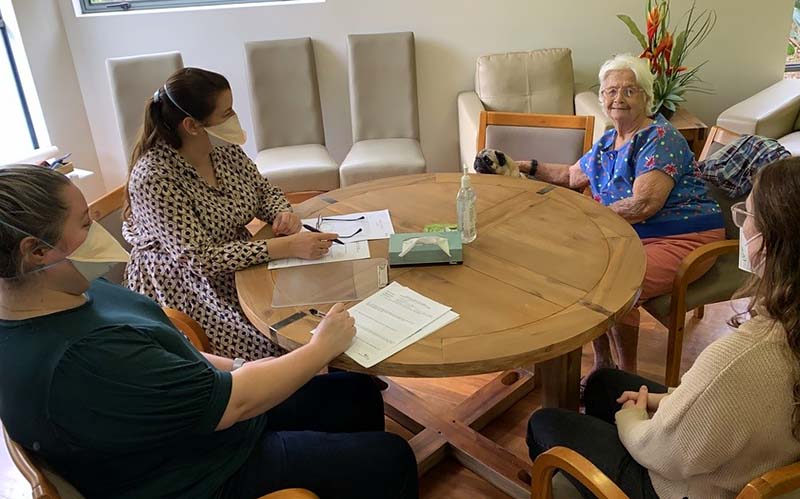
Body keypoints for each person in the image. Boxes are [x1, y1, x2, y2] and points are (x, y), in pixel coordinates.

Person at [0, 165, 418, 499]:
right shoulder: (84, 359)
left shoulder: (68, 288)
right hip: (201, 472)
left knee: (356, 393)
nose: (99, 231)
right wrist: (320, 347)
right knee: (391, 457)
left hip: (197, 415)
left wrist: (241, 365)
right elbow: (232, 405)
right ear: (35, 251)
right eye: (85, 222)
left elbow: (172, 353)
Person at [527, 157, 800, 498]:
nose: (741, 225)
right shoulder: (784, 330)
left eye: (747, 214)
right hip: (751, 453)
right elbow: (725, 403)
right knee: (602, 383)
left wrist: (632, 420)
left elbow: (663, 453)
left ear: (769, 241)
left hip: (682, 488)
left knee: (543, 423)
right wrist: (665, 402)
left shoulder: (742, 357)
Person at [503, 54, 725, 376]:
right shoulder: (609, 140)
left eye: (629, 91)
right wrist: (521, 165)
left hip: (683, 236)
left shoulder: (661, 139)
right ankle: (604, 363)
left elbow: (644, 204)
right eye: (610, 91)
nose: (618, 98)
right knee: (586, 274)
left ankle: (625, 376)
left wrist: (586, 222)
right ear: (602, 98)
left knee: (616, 285)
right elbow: (570, 176)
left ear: (646, 98)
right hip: (633, 233)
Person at [123, 67, 336, 360]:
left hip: (241, 260)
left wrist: (282, 213)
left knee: (321, 301)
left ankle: (337, 375)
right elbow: (198, 258)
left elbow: (264, 191)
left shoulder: (223, 150)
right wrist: (284, 246)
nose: (234, 118)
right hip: (189, 285)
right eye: (226, 113)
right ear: (192, 125)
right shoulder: (155, 177)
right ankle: (299, 392)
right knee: (270, 343)